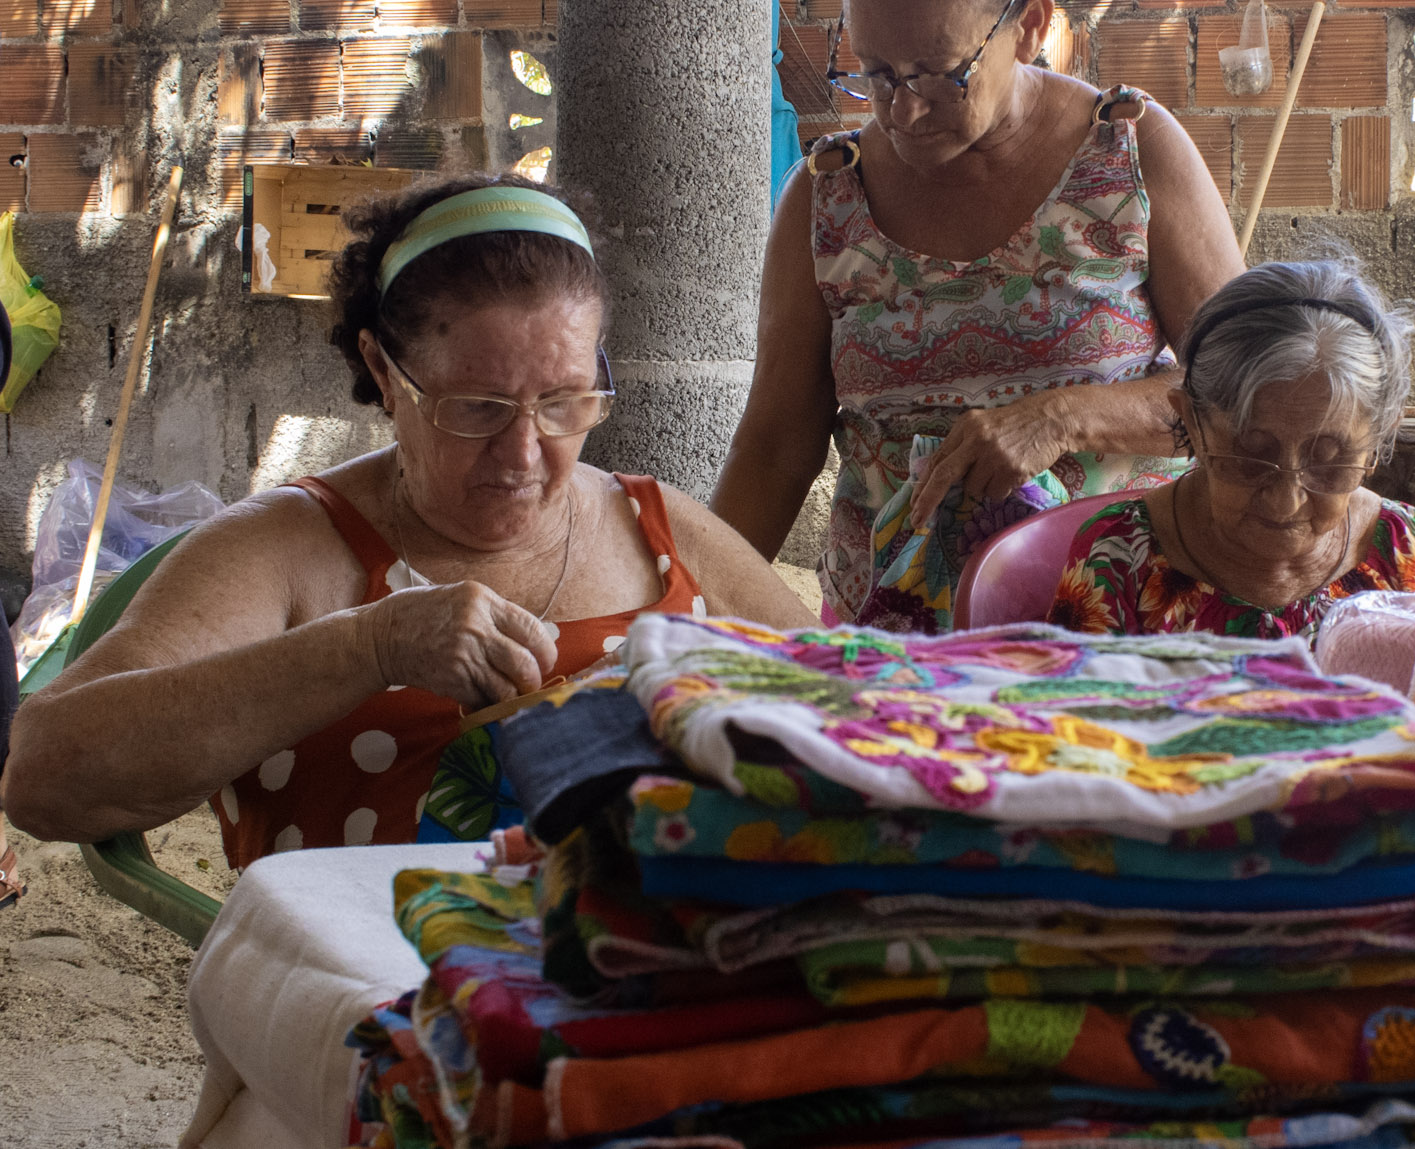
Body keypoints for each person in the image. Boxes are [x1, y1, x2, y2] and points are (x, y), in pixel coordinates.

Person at [2, 175, 811, 866]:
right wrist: (366, 646)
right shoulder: (289, 549)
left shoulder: (659, 528)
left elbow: (860, 707)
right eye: (478, 408)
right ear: (385, 373)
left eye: (563, 402)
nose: (524, 453)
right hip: (370, 1009)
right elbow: (41, 776)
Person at [711, 0, 1243, 632]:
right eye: (875, 74)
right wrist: (691, 605)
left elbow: (1246, 396)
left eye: (940, 73)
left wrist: (1065, 417)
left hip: (1122, 627)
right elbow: (775, 446)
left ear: (1029, 24)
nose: (904, 110)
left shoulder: (1129, 154)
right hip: (895, 652)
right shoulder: (826, 199)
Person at [1049, 260, 1415, 639]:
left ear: (1376, 440)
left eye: (1329, 462)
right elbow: (1068, 729)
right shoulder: (1121, 556)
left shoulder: (1407, 551)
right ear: (1192, 423)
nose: (1285, 501)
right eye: (1249, 456)